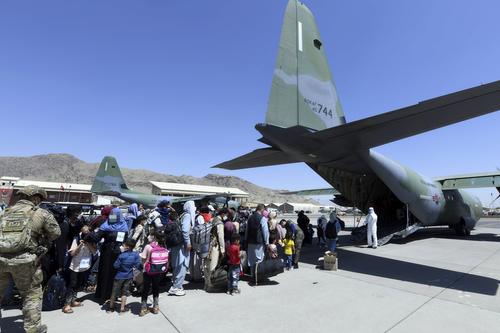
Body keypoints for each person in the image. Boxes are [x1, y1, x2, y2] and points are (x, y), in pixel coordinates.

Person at [0, 185, 61, 333]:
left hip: (1, 259)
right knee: (31, 296)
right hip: (25, 262)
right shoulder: (41, 213)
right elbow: (56, 233)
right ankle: (33, 330)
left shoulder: (5, 212)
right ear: (35, 197)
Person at [95, 207, 129, 303]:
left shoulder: (124, 226)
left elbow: (125, 240)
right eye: (112, 215)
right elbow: (97, 237)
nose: (112, 217)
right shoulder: (106, 225)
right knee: (105, 272)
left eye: (115, 215)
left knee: (115, 273)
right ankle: (103, 294)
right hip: (107, 253)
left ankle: (113, 295)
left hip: (118, 253)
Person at [63, 227, 97, 314]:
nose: (87, 234)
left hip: (85, 266)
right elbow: (72, 253)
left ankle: (73, 300)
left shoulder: (91, 240)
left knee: (79, 284)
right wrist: (80, 244)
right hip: (75, 266)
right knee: (72, 284)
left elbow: (94, 252)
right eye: (85, 233)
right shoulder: (76, 238)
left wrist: (88, 244)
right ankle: (66, 305)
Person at [107, 238, 141, 314]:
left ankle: (110, 308)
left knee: (114, 292)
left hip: (119, 276)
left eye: (124, 244)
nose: (123, 245)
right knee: (124, 293)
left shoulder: (121, 256)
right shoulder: (136, 255)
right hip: (129, 276)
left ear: (127, 246)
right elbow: (138, 265)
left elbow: (115, 266)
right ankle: (122, 309)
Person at [139, 228, 167, 316]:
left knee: (146, 288)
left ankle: (143, 308)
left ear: (154, 237)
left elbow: (143, 258)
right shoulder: (163, 246)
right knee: (156, 287)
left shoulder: (148, 246)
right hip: (158, 271)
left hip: (148, 271)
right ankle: (155, 306)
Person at [168, 201, 193, 296]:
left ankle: (175, 284)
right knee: (182, 265)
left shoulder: (181, 215)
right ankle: (176, 288)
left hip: (176, 245)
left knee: (176, 265)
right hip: (182, 245)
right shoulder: (187, 216)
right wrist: (188, 243)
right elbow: (185, 231)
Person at [203, 208, 226, 291]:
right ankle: (210, 285)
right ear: (223, 214)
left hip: (206, 245)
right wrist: (223, 250)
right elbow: (220, 237)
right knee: (212, 265)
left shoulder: (211, 219)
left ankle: (206, 283)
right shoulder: (219, 223)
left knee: (206, 265)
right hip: (214, 246)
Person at [245, 204, 269, 279]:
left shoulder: (250, 217)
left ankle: (252, 276)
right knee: (259, 259)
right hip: (259, 242)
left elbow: (247, 230)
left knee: (251, 259)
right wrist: (267, 242)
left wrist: (246, 239)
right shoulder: (262, 218)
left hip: (250, 241)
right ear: (262, 209)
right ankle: (258, 276)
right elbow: (265, 231)